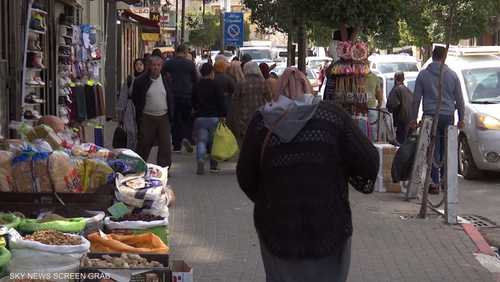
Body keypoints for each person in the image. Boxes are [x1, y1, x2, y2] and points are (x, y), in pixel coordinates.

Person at [236, 66, 379, 282]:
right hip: (329, 226)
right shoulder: (333, 117)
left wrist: (269, 196)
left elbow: (246, 175)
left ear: (277, 91)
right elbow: (368, 161)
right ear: (309, 89)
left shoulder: (262, 122)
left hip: (277, 228)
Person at [410, 46, 465, 195]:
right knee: (448, 148)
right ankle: (446, 182)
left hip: (429, 116)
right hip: (448, 116)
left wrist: (413, 119)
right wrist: (461, 118)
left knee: (432, 148)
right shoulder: (452, 75)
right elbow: (460, 99)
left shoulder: (423, 75)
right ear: (444, 57)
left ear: (432, 56)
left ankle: (434, 183)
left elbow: (416, 100)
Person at [132, 56, 175, 167]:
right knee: (144, 143)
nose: (156, 67)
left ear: (161, 67)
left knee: (165, 144)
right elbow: (135, 98)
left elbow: (171, 96)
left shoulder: (166, 79)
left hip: (163, 116)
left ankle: (164, 168)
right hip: (147, 117)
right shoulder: (140, 81)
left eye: (158, 65)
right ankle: (139, 166)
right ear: (149, 66)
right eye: (153, 65)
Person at [192, 63, 227, 175]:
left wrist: (195, 109)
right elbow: (221, 101)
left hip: (200, 117)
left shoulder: (197, 85)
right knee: (213, 142)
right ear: (212, 72)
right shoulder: (216, 85)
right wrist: (223, 115)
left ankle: (200, 160)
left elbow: (192, 100)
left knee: (201, 141)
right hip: (214, 117)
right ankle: (213, 165)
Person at [162, 44, 198, 153]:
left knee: (175, 120)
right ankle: (186, 137)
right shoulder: (190, 64)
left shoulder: (168, 63)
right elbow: (195, 80)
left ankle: (176, 144)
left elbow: (162, 76)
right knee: (187, 118)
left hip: (173, 95)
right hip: (187, 94)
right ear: (185, 52)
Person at [228, 61, 269, 146]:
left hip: (244, 118)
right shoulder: (263, 81)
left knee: (245, 143)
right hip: (259, 117)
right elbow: (268, 98)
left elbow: (234, 100)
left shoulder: (241, 82)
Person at [116, 58, 145, 150]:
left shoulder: (147, 80)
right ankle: (130, 152)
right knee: (130, 132)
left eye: (141, 64)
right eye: (137, 65)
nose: (139, 67)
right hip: (130, 108)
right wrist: (120, 113)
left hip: (142, 109)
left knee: (140, 133)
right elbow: (123, 95)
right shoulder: (130, 79)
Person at [387, 72, 413, 145]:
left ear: (395, 78)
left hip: (402, 122)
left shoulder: (396, 89)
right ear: (403, 79)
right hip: (410, 121)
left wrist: (389, 108)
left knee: (400, 144)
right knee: (407, 144)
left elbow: (393, 105)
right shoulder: (408, 90)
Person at [365, 70, 384, 141]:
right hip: (371, 107)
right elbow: (378, 93)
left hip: (363, 107)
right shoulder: (375, 77)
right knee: (372, 128)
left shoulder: (357, 76)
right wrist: (379, 103)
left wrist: (379, 103)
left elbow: (378, 93)